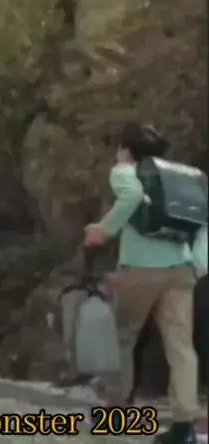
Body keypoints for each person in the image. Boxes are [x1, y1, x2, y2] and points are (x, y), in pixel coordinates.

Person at [84, 122, 205, 444]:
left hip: (141, 269)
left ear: (125, 149)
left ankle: (117, 415)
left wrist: (103, 231)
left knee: (122, 339)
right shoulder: (182, 176)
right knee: (181, 347)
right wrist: (199, 265)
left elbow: (133, 196)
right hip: (181, 268)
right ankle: (184, 426)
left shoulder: (125, 171)